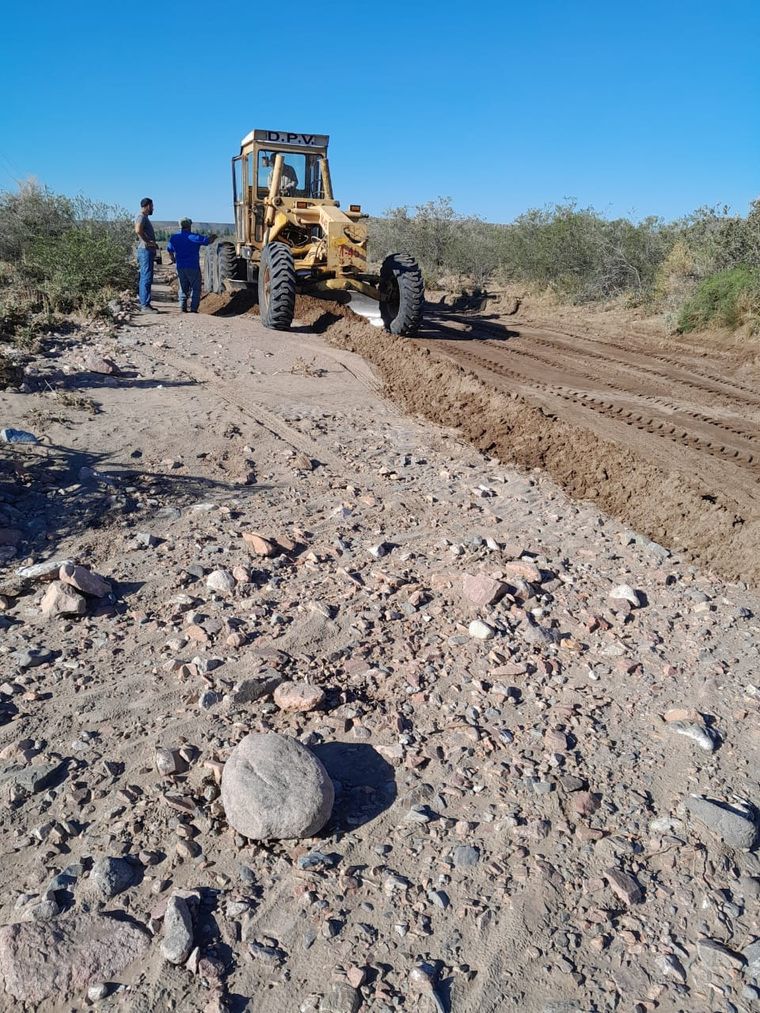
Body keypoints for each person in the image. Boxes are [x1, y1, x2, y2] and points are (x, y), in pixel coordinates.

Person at [166, 218, 217, 313]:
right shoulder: (194, 237)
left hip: (180, 267)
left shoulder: (174, 237)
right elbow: (208, 241)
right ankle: (193, 309)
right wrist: (214, 236)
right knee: (196, 288)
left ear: (180, 226)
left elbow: (169, 249)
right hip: (193, 267)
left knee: (183, 287)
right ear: (189, 226)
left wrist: (173, 258)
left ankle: (182, 307)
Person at [134, 197, 159, 312]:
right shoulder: (142, 217)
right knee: (146, 277)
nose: (153, 208)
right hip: (145, 251)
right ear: (148, 206)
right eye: (152, 206)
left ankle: (144, 303)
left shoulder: (143, 217)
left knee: (144, 277)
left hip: (146, 250)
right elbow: (138, 230)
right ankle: (145, 305)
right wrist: (147, 242)